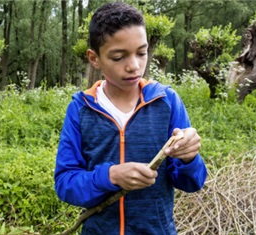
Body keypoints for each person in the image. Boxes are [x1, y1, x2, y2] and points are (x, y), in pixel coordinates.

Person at [55, 2, 207, 234]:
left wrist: (190, 158)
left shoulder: (166, 102)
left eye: (142, 52)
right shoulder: (81, 109)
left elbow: (192, 182)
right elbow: (65, 184)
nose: (134, 66)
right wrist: (110, 176)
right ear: (94, 58)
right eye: (118, 57)